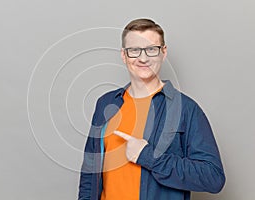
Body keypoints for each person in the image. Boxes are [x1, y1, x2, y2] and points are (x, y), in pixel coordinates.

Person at [78, 18, 225, 200]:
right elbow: (90, 173)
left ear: (163, 52)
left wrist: (149, 157)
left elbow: (213, 177)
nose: (143, 58)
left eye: (151, 49)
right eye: (134, 50)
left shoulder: (186, 109)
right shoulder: (106, 104)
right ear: (124, 55)